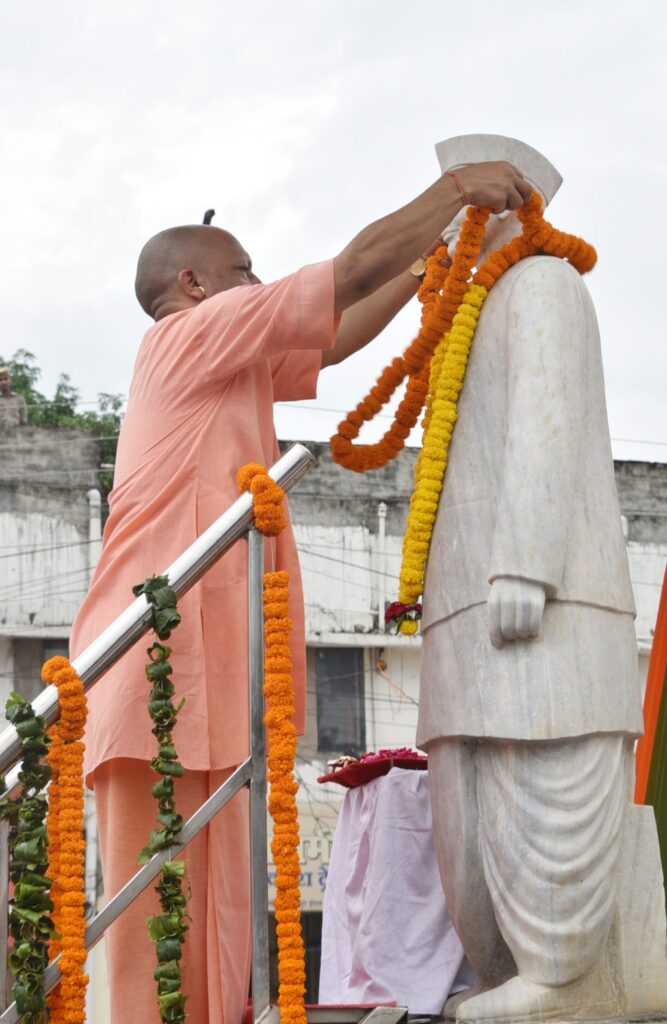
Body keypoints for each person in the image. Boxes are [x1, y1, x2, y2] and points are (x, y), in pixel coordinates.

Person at [69, 158, 532, 1024]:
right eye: (243, 269)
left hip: (217, 680)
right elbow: (342, 274)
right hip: (155, 671)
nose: (258, 282)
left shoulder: (230, 359)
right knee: (152, 925)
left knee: (221, 917)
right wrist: (452, 192)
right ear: (194, 283)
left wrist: (432, 257)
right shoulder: (185, 335)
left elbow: (334, 331)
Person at [419, 136, 667, 1022]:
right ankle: (507, 971)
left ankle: (564, 979)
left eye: (448, 214)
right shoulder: (456, 320)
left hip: (540, 595)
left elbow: (545, 425)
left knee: (541, 780)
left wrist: (525, 561)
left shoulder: (541, 284)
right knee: (467, 808)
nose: (433, 239)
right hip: (461, 605)